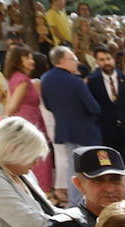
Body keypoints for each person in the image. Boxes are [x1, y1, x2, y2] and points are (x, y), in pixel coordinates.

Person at [38, 47, 99, 206]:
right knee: (91, 169)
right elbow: (93, 107)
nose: (77, 62)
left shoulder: (45, 79)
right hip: (85, 131)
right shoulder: (76, 81)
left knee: (72, 168)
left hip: (64, 130)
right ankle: (91, 202)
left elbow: (48, 105)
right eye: (73, 58)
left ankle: (75, 203)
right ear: (62, 61)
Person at [86, 46, 125, 177]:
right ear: (97, 62)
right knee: (115, 167)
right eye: (102, 60)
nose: (106, 62)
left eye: (108, 59)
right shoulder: (93, 83)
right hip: (108, 132)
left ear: (113, 59)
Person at [1, 44, 47, 195]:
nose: (31, 60)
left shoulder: (14, 78)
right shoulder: (22, 80)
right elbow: (11, 107)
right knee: (38, 162)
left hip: (26, 124)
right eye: (27, 57)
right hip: (28, 126)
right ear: (18, 60)